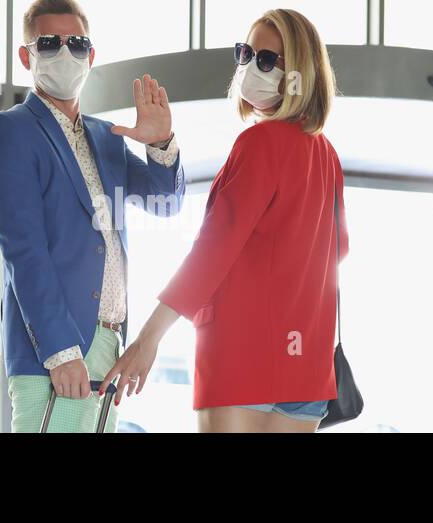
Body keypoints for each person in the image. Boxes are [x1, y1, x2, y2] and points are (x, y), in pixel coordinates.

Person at [100, 8, 347, 433]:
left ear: (298, 76)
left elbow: (213, 251)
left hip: (244, 355)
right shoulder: (327, 156)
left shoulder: (259, 143)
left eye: (266, 60)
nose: (250, 66)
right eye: (246, 53)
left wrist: (148, 338)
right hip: (307, 364)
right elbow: (339, 248)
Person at [0, 0, 186, 432]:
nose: (65, 53)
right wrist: (61, 351)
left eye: (77, 44)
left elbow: (166, 200)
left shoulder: (106, 137)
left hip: (109, 346)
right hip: (56, 352)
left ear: (91, 56)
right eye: (49, 43)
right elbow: (24, 251)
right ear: (26, 56)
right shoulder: (10, 131)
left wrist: (160, 142)